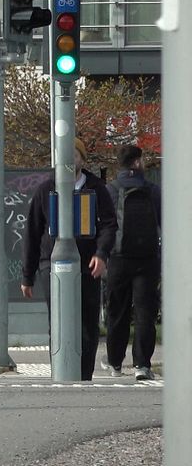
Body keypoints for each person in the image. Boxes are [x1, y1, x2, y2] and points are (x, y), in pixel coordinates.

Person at [21, 138, 117, 381]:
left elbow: (108, 225)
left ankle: (84, 374)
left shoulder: (96, 187)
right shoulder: (46, 189)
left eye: (74, 155)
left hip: (87, 265)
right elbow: (32, 232)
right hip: (50, 264)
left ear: (82, 159)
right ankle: (60, 370)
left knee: (87, 321)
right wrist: (27, 275)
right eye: (64, 155)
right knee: (59, 320)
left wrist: (101, 254)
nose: (69, 160)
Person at [104, 145, 161, 381]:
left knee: (117, 310)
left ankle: (115, 362)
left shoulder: (111, 189)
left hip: (118, 258)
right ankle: (142, 365)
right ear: (137, 162)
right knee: (145, 312)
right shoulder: (153, 190)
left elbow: (106, 225)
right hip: (147, 259)